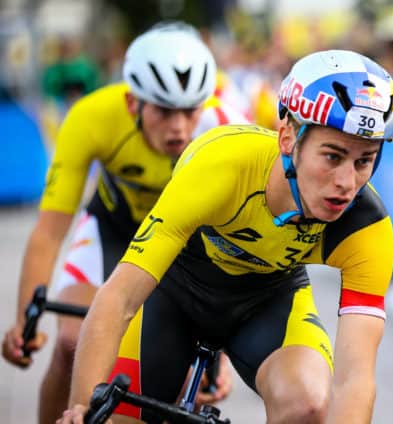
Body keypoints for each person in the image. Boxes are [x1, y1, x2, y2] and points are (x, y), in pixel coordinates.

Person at [59, 49, 393, 424]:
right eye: (333, 156)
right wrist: (81, 407)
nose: (346, 183)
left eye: (364, 160)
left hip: (268, 300)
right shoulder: (222, 167)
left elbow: (355, 379)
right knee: (113, 417)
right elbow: (120, 295)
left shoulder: (367, 227)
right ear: (288, 137)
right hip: (176, 291)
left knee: (308, 404)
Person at [1, 22, 242, 423]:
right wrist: (25, 321)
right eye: (164, 111)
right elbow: (49, 231)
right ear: (134, 104)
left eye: (189, 111)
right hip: (112, 227)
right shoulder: (92, 117)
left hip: (185, 247)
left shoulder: (227, 131)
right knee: (71, 344)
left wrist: (223, 356)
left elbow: (241, 250)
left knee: (184, 374)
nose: (179, 127)